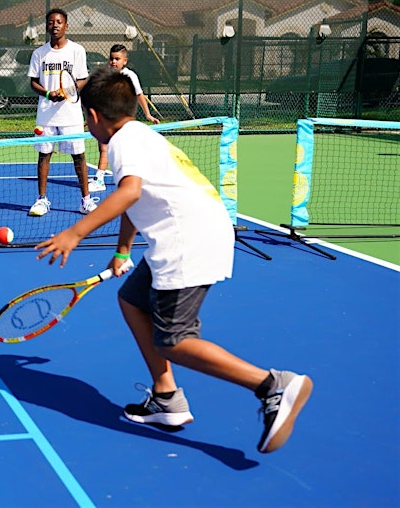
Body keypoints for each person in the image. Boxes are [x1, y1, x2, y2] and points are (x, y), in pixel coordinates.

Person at [36, 67, 312, 454]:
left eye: (86, 118)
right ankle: (166, 398)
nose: (87, 124)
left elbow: (130, 192)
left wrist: (75, 233)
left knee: (175, 340)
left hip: (187, 241)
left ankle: (272, 385)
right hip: (194, 230)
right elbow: (136, 199)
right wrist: (122, 251)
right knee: (132, 300)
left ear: (94, 117)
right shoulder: (141, 136)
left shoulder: (121, 144)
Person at [26, 8, 95, 217]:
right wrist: (48, 94)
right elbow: (33, 82)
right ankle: (42, 200)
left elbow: (83, 78)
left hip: (71, 115)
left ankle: (86, 200)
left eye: (58, 22)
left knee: (79, 156)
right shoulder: (39, 53)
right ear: (46, 26)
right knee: (44, 155)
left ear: (66, 26)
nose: (54, 25)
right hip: (46, 114)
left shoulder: (77, 51)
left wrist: (68, 91)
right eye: (50, 22)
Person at [90, 44, 160, 193]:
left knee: (114, 148)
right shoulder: (106, 75)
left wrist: (147, 114)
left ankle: (101, 179)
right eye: (111, 58)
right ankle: (101, 178)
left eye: (117, 59)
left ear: (125, 61)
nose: (113, 62)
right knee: (104, 148)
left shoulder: (130, 76)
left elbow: (139, 95)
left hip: (122, 120)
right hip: (107, 118)